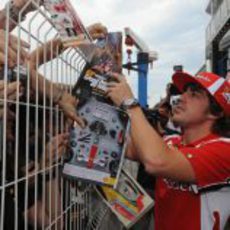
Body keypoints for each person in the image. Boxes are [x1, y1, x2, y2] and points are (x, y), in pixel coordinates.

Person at [106, 71, 230, 230]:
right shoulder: (172, 142)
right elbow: (125, 147)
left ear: (216, 112)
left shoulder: (224, 149)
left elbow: (155, 161)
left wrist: (130, 104)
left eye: (194, 94)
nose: (181, 98)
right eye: (183, 92)